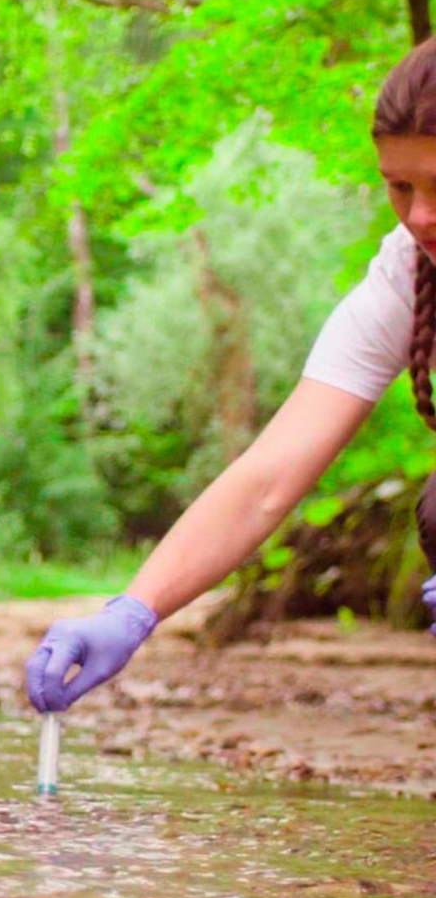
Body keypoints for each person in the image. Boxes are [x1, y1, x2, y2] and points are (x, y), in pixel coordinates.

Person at [26, 35, 436, 714]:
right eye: (400, 186)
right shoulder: (408, 270)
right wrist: (133, 610)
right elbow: (267, 479)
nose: (420, 215)